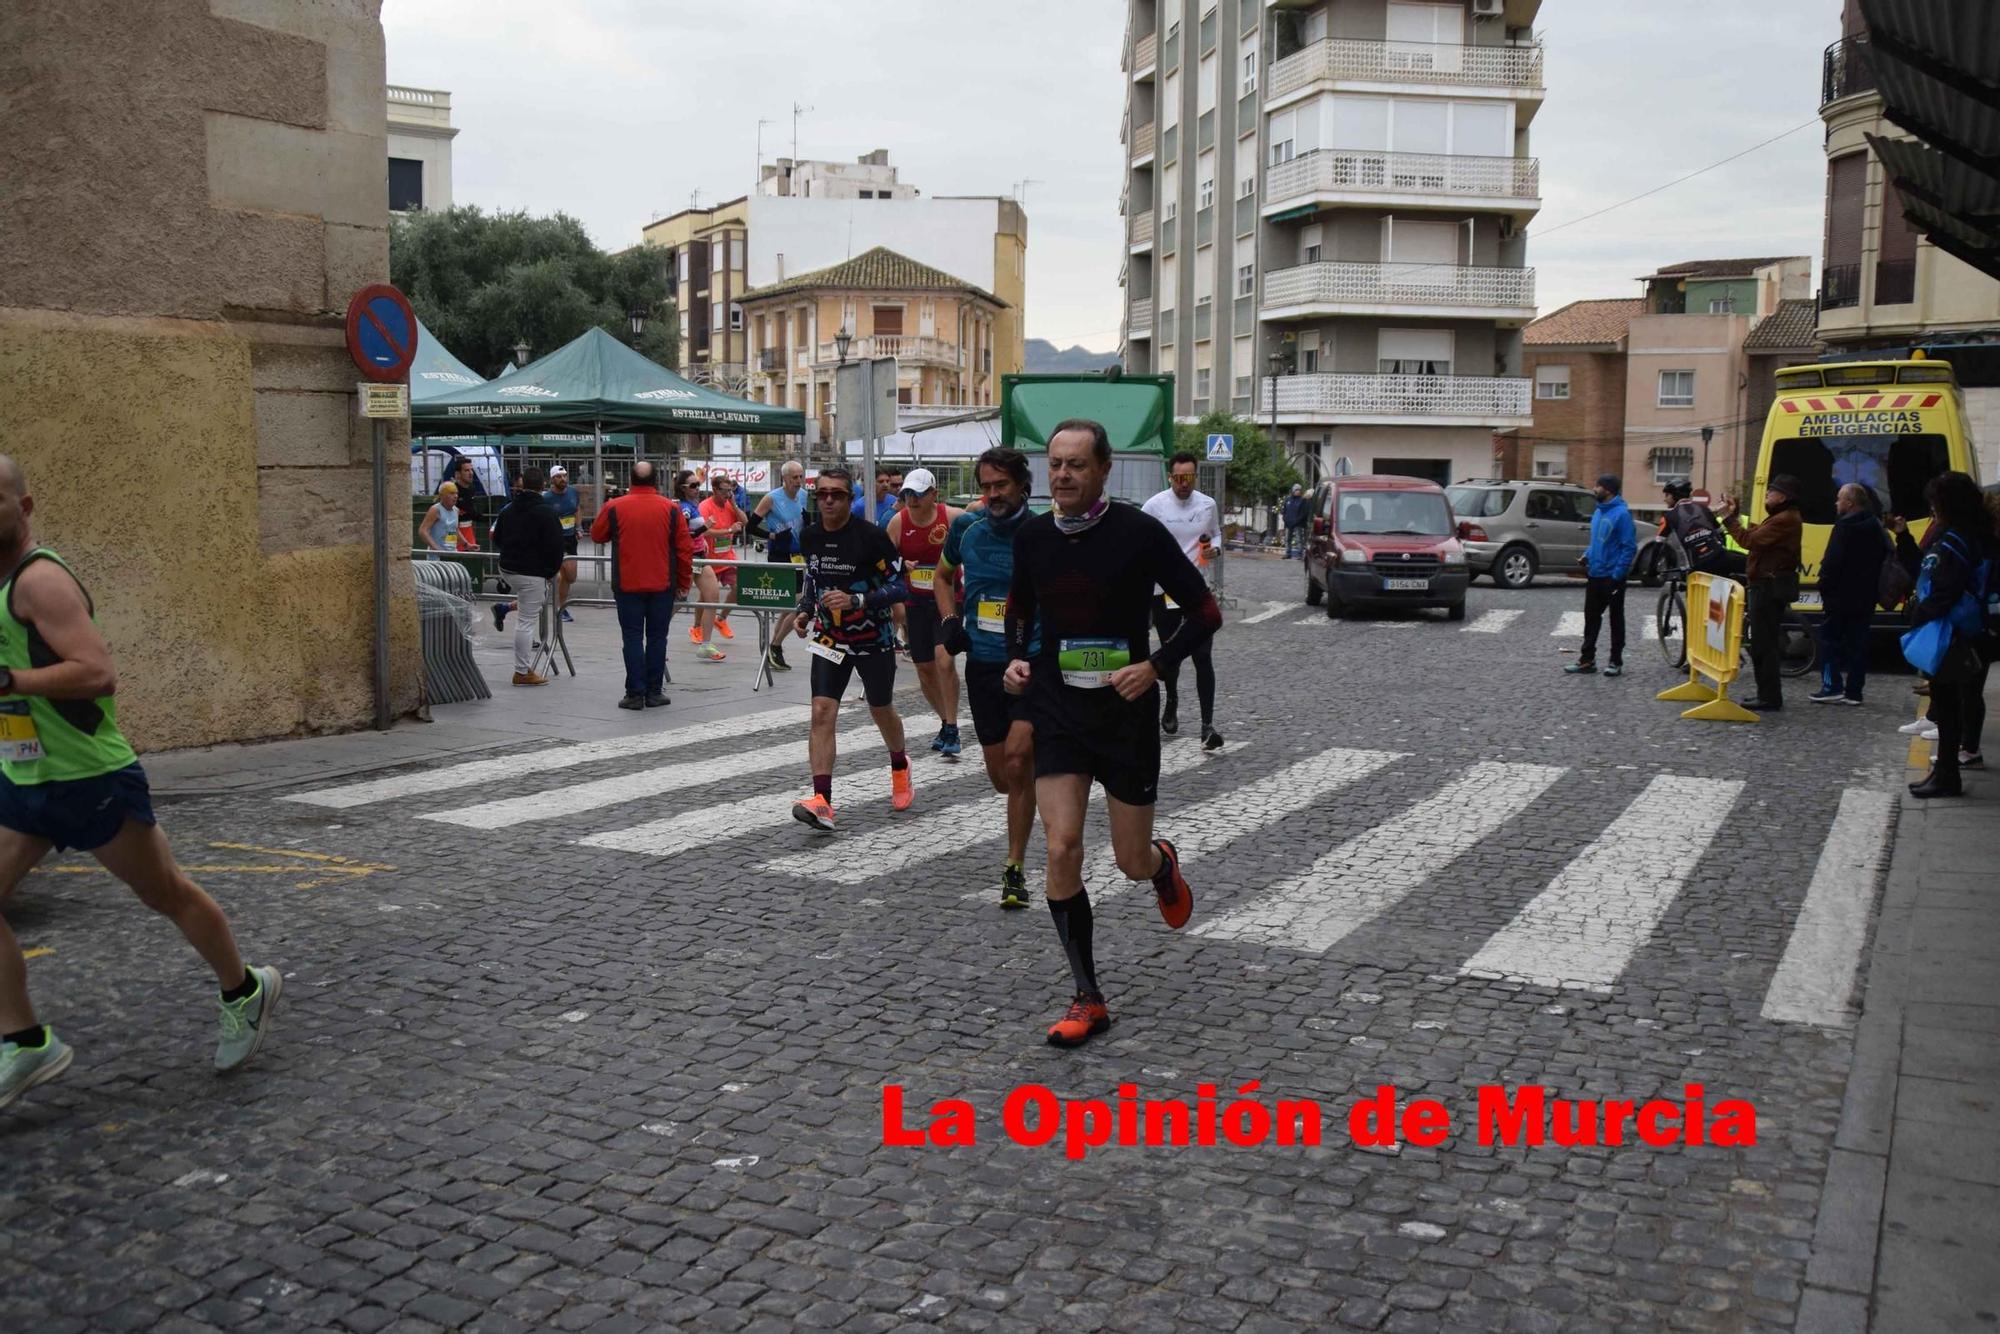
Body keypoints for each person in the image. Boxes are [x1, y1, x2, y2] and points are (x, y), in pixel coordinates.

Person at [0, 456, 282, 1110]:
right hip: (26, 777)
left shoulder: (41, 582)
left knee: (167, 894)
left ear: (25, 505)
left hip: (90, 775)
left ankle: (244, 990)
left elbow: (97, 672)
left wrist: (13, 684)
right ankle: (24, 1041)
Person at [1004, 419, 1218, 1048]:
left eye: (1076, 465)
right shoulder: (1035, 537)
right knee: (1062, 846)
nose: (1063, 475)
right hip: (1059, 709)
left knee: (1128, 860)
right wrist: (1019, 656)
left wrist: (1153, 666)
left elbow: (1206, 613)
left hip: (1124, 715)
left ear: (1102, 471)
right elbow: (1020, 608)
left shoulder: (1138, 532)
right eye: (1055, 464)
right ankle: (1087, 995)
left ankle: (1161, 865)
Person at [935, 447, 1040, 909]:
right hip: (982, 661)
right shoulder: (966, 528)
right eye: (986, 486)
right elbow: (941, 577)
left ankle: (1014, 866)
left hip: (1031, 662)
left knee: (1018, 760)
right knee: (1002, 775)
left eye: (1002, 485)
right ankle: (1032, 788)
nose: (993, 495)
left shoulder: (1043, 532)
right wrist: (948, 621)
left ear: (1022, 486)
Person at [790, 465, 913, 831]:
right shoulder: (809, 535)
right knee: (821, 712)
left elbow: (899, 587)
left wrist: (857, 599)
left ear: (850, 497)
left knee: (881, 708)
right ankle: (822, 801)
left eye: (837, 494)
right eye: (822, 493)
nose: (828, 500)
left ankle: (900, 764)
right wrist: (805, 610)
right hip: (830, 639)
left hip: (872, 638)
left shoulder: (871, 537)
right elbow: (813, 578)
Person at [1904, 472, 1995, 798]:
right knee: (1949, 703)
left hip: (1951, 629)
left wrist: (1921, 614)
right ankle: (1944, 772)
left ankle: (1947, 776)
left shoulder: (1956, 538)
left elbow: (1946, 587)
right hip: (1961, 628)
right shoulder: (1973, 534)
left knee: (1948, 703)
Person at [589, 460, 693, 711]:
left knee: (632, 637)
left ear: (631, 481)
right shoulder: (670, 509)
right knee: (658, 637)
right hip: (662, 584)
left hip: (627, 584)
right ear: (657, 481)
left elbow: (596, 535)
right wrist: (683, 582)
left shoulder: (614, 507)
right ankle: (654, 692)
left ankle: (635, 693)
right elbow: (684, 549)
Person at [1142, 451, 1225, 748]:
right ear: (1170, 477)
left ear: (1195, 477)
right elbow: (1141, 542)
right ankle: (1172, 701)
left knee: (1203, 657)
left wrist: (1214, 548)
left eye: (1188, 478)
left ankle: (1207, 726)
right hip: (1163, 592)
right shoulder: (1154, 506)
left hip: (1196, 590)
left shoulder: (1207, 505)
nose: (1183, 484)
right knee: (1172, 655)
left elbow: (1215, 535)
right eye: (1178, 478)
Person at [886, 468, 963, 758]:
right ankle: (945, 722)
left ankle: (953, 727)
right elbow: (882, 560)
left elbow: (980, 531)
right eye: (908, 494)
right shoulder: (898, 522)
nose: (912, 500)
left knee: (944, 660)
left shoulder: (953, 518)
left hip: (950, 600)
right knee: (925, 668)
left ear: (934, 495)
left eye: (918, 494)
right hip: (915, 603)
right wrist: (899, 564)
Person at [1721, 474, 1805, 713]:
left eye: (1772, 491)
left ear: (1784, 497)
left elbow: (1750, 540)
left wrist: (1728, 520)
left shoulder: (1785, 519)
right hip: (1765, 584)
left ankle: (1769, 697)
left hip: (1768, 587)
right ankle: (1766, 694)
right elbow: (1758, 535)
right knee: (1762, 642)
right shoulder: (1782, 517)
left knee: (1763, 643)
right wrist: (1735, 516)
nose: (1767, 493)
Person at [1808, 483, 1888, 706]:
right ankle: (1854, 691)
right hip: (1866, 594)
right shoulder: (1874, 524)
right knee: (1858, 643)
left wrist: (1824, 585)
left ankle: (1831, 686)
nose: (1836, 503)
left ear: (1849, 503)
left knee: (1827, 639)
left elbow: (1833, 562)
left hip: (1840, 595)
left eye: (1839, 499)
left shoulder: (1844, 527)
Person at [491, 466, 565, 687]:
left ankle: (505, 609)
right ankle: (522, 671)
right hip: (532, 573)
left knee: (527, 610)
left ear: (521, 485)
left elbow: (498, 537)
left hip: (508, 568)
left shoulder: (509, 509)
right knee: (525, 622)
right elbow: (556, 546)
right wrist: (549, 573)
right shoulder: (546, 512)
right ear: (543, 485)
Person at [1563, 474, 1635, 678]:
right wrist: (1587, 556)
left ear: (1608, 490)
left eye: (1597, 486)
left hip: (1612, 577)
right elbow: (1598, 543)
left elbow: (1628, 547)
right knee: (1591, 618)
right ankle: (1587, 660)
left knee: (1615, 619)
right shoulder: (1598, 512)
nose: (1594, 489)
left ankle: (1615, 661)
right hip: (1594, 574)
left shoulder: (1622, 514)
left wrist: (1618, 575)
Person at [752, 461, 809, 672]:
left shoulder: (803, 495)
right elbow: (751, 526)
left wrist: (808, 524)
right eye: (794, 477)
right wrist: (772, 535)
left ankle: (775, 647)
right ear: (784, 478)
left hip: (798, 555)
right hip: (779, 555)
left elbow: (803, 524)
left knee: (793, 603)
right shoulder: (772, 498)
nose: (798, 481)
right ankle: (775, 646)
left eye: (801, 476)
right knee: (798, 603)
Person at [672, 470, 725, 661]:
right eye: (693, 486)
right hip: (688, 559)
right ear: (682, 488)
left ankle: (706, 644)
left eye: (698, 485)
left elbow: (694, 535)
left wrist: (702, 538)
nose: (697, 489)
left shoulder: (692, 506)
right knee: (678, 601)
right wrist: (705, 528)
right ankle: (655, 639)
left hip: (699, 558)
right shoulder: (684, 508)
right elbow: (684, 535)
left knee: (712, 596)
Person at [1660, 479, 1744, 578]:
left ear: (1675, 495)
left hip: (1697, 566)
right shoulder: (1703, 508)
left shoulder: (1668, 516)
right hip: (1720, 557)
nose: (1664, 499)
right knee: (1751, 565)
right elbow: (1721, 534)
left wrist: (1652, 570)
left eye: (1666, 495)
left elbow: (1658, 546)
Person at [699, 472, 745, 646]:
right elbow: (704, 531)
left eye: (730, 490)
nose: (728, 494)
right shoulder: (705, 506)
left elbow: (745, 521)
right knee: (706, 597)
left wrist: (733, 503)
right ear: (715, 490)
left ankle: (722, 618)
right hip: (709, 559)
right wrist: (729, 531)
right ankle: (697, 627)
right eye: (724, 491)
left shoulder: (729, 504)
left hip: (727, 558)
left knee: (738, 587)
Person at [544, 465, 581, 622]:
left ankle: (561, 606)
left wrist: (578, 527)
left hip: (570, 539)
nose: (563, 479)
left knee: (570, 576)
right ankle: (555, 607)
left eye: (565, 476)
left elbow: (577, 509)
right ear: (552, 479)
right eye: (559, 477)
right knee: (556, 577)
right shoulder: (546, 498)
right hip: (553, 540)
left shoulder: (573, 493)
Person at [419, 481, 461, 557]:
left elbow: (455, 530)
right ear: (442, 495)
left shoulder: (456, 510)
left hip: (452, 554)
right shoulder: (435, 510)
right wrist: (436, 549)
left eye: (456, 493)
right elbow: (423, 531)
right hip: (437, 558)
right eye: (451, 493)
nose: (455, 496)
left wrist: (466, 544)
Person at [1282, 483, 1309, 559]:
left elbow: (1303, 513)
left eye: (1299, 490)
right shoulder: (1288, 499)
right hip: (1288, 523)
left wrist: (1297, 520)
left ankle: (1300, 554)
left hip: (1298, 523)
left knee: (1299, 539)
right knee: (1287, 539)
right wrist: (1285, 519)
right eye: (1296, 490)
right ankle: (1288, 553)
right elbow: (1284, 510)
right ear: (1293, 491)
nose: (1298, 491)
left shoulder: (1302, 500)